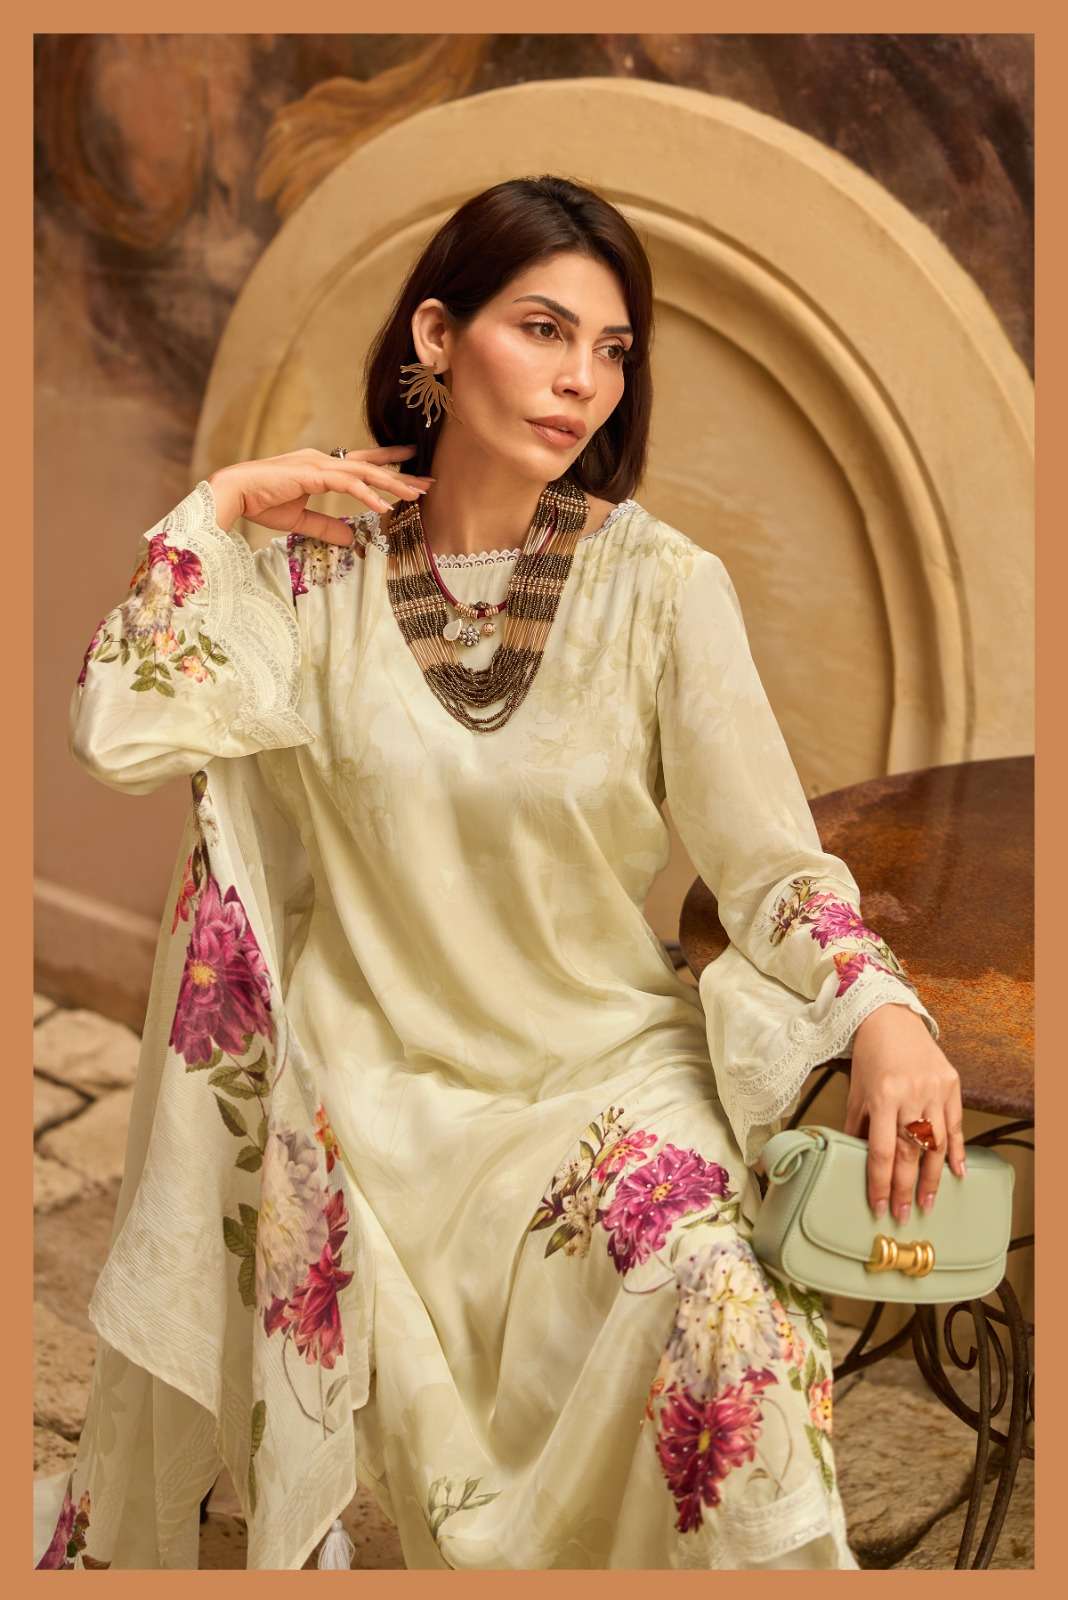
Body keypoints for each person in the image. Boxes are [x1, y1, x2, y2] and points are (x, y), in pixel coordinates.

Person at [34, 175, 964, 1572]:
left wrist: (884, 1014)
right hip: (379, 1096)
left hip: (601, 1069)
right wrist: (221, 507)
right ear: (437, 335)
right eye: (544, 330)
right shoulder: (314, 578)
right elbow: (118, 725)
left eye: (612, 349)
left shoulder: (662, 589)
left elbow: (769, 866)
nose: (583, 379)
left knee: (729, 1311)